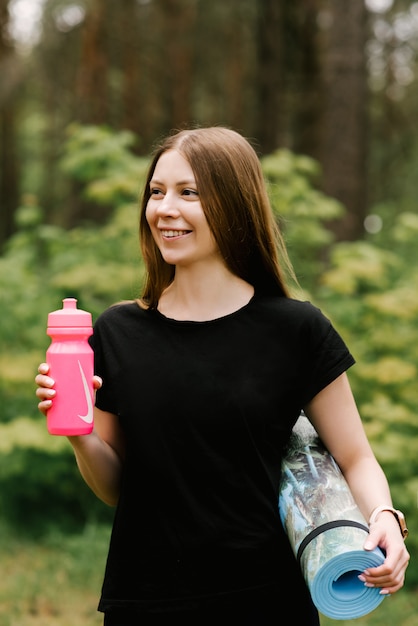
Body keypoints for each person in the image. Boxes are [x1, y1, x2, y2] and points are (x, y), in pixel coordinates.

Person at [35, 126, 409, 626]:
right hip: (145, 601)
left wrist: (384, 516)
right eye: (157, 191)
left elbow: (356, 457)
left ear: (233, 204)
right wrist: (79, 435)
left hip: (267, 600)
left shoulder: (296, 329)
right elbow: (117, 489)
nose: (165, 208)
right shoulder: (116, 331)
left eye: (189, 192)